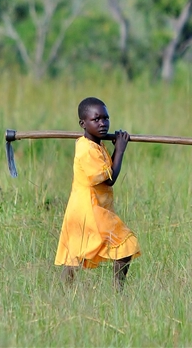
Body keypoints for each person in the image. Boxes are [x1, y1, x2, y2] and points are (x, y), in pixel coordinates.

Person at [55, 97, 141, 291]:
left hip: (85, 208)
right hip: (90, 209)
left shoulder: (96, 145)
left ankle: (62, 294)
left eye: (106, 119)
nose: (103, 124)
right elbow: (109, 179)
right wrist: (119, 150)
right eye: (96, 119)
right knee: (125, 243)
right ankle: (118, 290)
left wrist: (114, 148)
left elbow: (106, 168)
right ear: (83, 124)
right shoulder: (86, 149)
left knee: (75, 255)